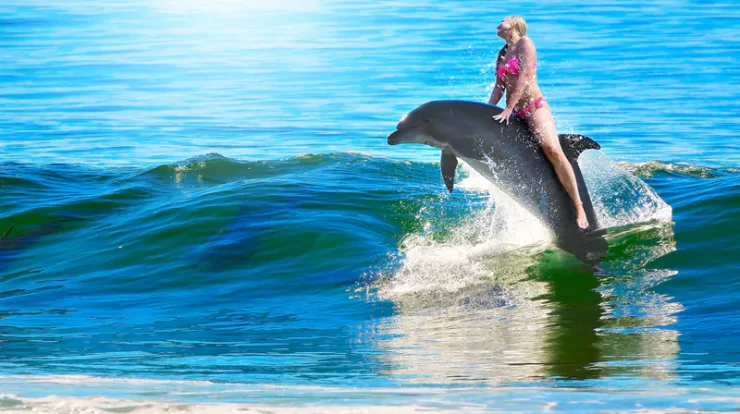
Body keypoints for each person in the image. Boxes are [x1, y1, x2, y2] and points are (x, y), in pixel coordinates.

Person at [489, 15, 589, 229]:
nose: (498, 23)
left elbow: (524, 76)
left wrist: (508, 108)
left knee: (552, 149)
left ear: (514, 25)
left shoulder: (526, 43)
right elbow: (499, 87)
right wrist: (488, 110)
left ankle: (579, 207)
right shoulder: (502, 53)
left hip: (534, 107)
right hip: (514, 112)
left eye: (503, 21)